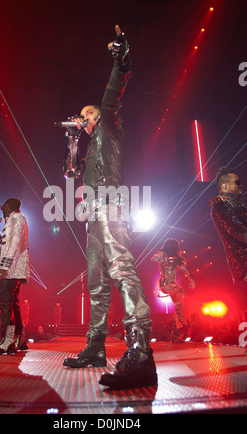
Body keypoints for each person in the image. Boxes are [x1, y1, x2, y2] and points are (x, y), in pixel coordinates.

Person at [62, 25, 157, 389]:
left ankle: (140, 351)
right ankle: (96, 346)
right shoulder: (88, 149)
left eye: (87, 115)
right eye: (83, 117)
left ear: (97, 117)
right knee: (97, 279)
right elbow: (70, 173)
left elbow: (113, 94)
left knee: (120, 266)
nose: (84, 119)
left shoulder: (110, 124)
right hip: (92, 210)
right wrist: (72, 145)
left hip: (112, 202)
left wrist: (121, 58)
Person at [0, 198, 30, 355]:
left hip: (11, 269)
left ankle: (7, 341)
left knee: (4, 303)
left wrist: (4, 266)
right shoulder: (14, 219)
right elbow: (6, 245)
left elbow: (14, 244)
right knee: (12, 304)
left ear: (9, 207)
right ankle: (19, 339)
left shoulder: (16, 219)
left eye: (4, 206)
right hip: (15, 268)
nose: (2, 209)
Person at [151, 238, 195, 342]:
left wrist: (192, 281)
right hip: (166, 284)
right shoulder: (163, 257)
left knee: (177, 307)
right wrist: (164, 256)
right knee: (181, 292)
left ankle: (175, 335)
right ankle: (180, 318)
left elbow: (186, 271)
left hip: (172, 285)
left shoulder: (176, 259)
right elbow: (153, 258)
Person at [210, 167, 247, 283]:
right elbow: (237, 231)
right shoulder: (221, 206)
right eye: (237, 182)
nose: (241, 185)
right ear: (224, 186)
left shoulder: (240, 203)